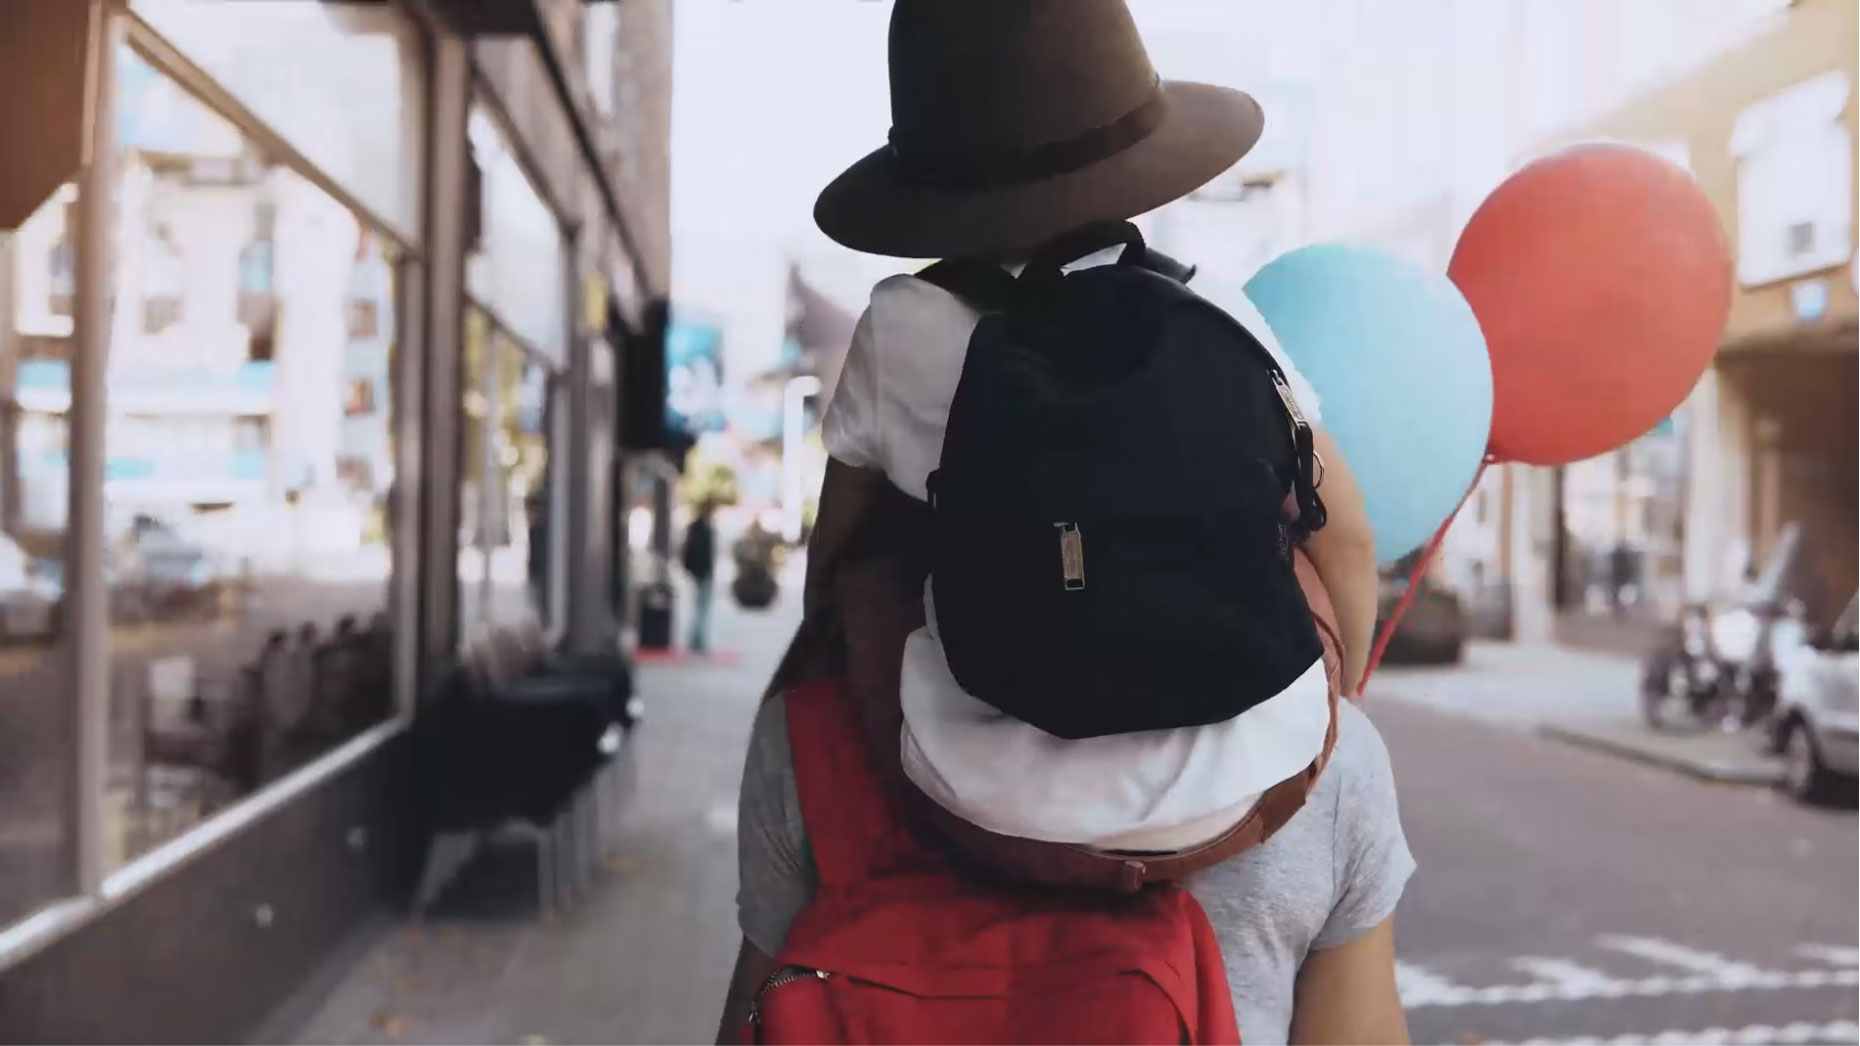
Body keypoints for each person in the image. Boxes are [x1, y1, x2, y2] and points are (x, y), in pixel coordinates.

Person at [722, 2, 1408, 1041]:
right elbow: (1345, 533)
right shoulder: (1220, 314)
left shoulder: (811, 749)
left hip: (959, 777)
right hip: (1247, 772)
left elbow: (848, 534)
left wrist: (831, 669)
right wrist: (1333, 706)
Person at [681, 499, 717, 654]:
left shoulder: (698, 527)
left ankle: (696, 640)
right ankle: (697, 641)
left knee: (700, 607)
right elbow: (701, 553)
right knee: (701, 607)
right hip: (702, 573)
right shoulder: (702, 528)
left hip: (700, 572)